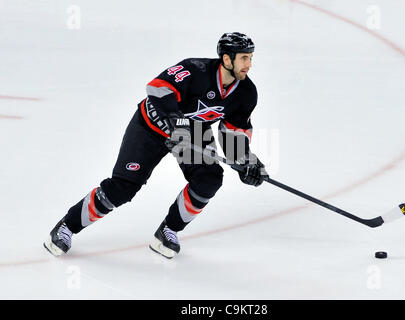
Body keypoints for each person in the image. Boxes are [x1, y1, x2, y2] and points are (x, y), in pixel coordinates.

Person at [44, 32, 268, 259]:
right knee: (123, 187)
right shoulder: (195, 69)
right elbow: (157, 88)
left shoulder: (246, 93)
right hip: (151, 126)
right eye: (244, 58)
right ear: (227, 59)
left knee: (209, 178)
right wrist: (175, 119)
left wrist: (245, 161)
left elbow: (233, 133)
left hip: (193, 133)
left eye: (250, 58)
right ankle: (67, 227)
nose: (249, 64)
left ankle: (168, 231)